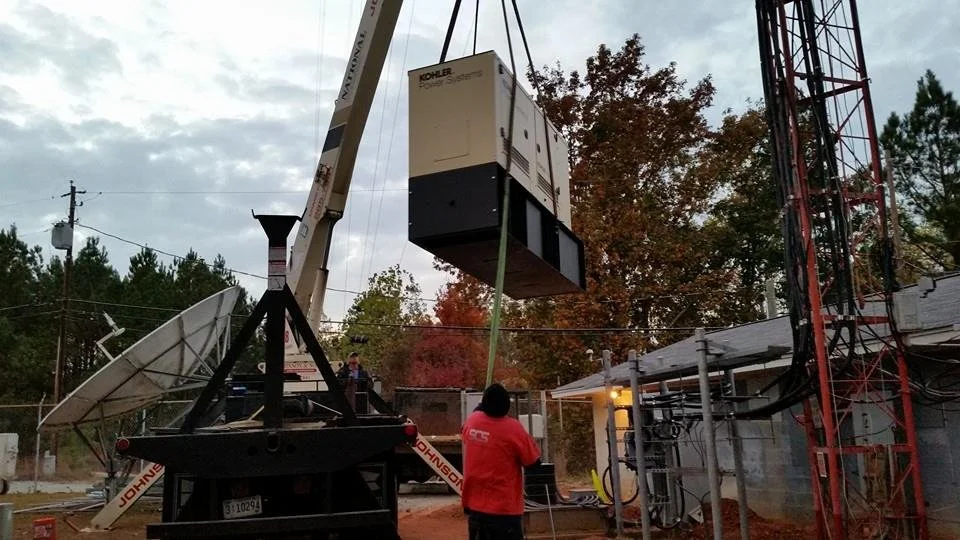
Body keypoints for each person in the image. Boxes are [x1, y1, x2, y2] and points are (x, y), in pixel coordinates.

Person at [461, 383, 541, 539]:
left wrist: (481, 406)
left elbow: (476, 415)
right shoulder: (513, 429)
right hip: (504, 512)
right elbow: (533, 463)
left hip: (475, 508)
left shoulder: (472, 422)